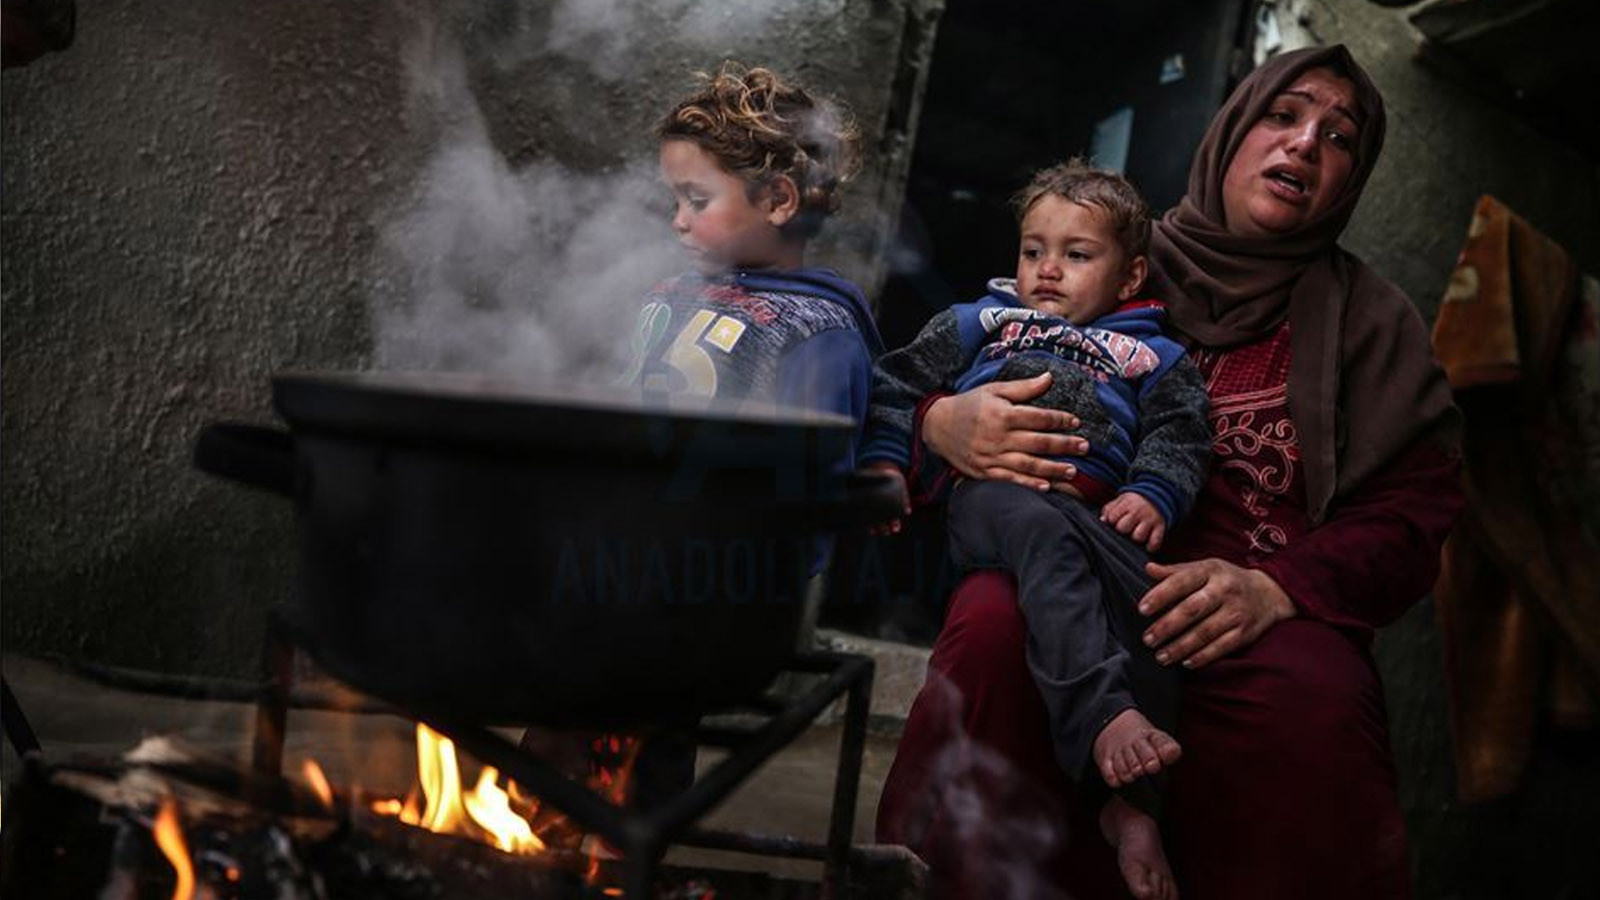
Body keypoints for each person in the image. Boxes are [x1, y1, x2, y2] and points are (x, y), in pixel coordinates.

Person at [875, 44, 1463, 900]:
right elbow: (936, 378)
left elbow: (1414, 518)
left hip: (1247, 615)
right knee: (994, 624)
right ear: (1232, 129)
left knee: (1318, 699)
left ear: (1354, 177)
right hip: (1070, 568)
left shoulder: (1376, 328)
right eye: (1283, 114)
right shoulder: (1100, 262)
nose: (1304, 145)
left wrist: (1276, 588)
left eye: (1338, 138)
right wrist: (942, 426)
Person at [860, 160, 1210, 900]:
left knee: (1153, 610)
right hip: (998, 499)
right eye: (1032, 250)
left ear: (1129, 275)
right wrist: (889, 471)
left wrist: (1153, 493)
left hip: (1094, 518)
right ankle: (1104, 717)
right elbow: (892, 386)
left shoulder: (1157, 353)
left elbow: (1181, 435)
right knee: (1044, 541)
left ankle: (1132, 802)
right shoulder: (976, 321)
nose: (1047, 269)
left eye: (1077, 255)